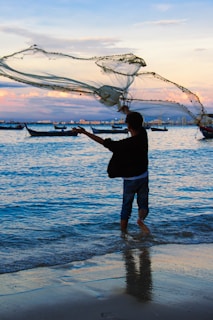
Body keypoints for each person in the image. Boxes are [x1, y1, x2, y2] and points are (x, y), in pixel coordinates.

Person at [73, 111, 150, 235]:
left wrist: (85, 132)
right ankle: (140, 220)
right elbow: (135, 120)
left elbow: (103, 142)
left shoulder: (123, 144)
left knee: (126, 206)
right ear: (140, 124)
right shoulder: (143, 135)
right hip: (143, 176)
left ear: (128, 126)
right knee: (143, 205)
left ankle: (123, 233)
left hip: (129, 180)